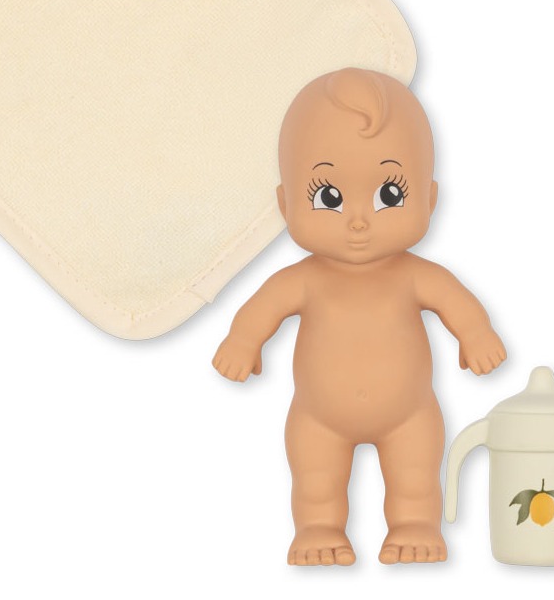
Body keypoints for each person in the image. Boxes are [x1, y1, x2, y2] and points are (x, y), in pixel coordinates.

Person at [213, 67, 506, 566]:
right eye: (328, 197)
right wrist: (242, 343)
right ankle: (318, 529)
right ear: (285, 204)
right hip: (318, 417)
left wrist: (476, 334)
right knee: (316, 479)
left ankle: (415, 524)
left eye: (389, 195)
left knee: (415, 475)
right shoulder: (304, 280)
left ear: (429, 198)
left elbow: (458, 304)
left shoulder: (416, 276)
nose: (358, 220)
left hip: (409, 413)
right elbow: (261, 310)